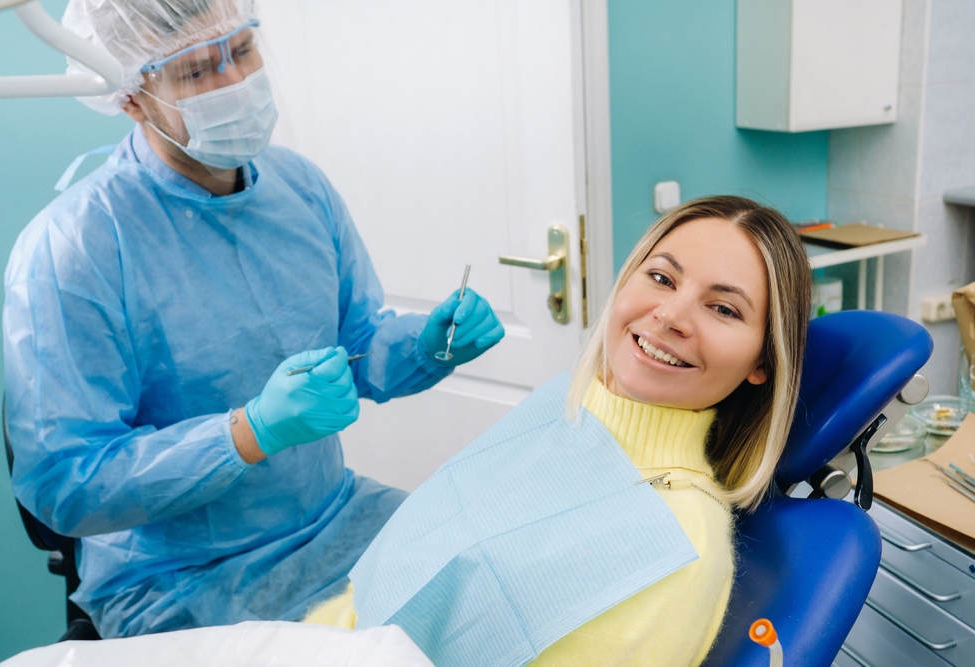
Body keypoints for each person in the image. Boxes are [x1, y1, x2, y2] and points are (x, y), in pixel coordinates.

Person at [3, 0, 503, 639]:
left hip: (334, 517)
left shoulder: (300, 188)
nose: (231, 83)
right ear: (131, 98)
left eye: (240, 51)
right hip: (180, 576)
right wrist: (246, 433)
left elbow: (357, 344)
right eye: (194, 72)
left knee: (494, 597)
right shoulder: (75, 248)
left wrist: (429, 348)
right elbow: (64, 485)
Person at [304, 195, 812, 667]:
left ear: (763, 361)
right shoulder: (561, 411)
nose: (671, 316)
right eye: (661, 278)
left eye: (723, 308)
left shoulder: (681, 546)